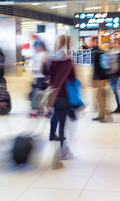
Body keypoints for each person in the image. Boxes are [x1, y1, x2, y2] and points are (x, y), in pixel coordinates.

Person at [48, 35, 75, 169]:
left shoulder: (52, 61)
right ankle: (59, 156)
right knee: (63, 127)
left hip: (54, 96)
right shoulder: (69, 62)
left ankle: (53, 135)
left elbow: (50, 77)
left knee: (56, 116)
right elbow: (73, 79)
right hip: (65, 97)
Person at [91, 37, 113, 123]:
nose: (87, 42)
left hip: (99, 78)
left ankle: (104, 115)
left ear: (94, 42)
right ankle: (102, 114)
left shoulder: (95, 52)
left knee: (100, 97)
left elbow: (95, 67)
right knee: (102, 96)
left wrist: (93, 79)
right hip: (104, 77)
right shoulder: (101, 51)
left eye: (89, 41)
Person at [108, 39, 120, 113]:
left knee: (116, 90)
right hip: (111, 74)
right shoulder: (110, 51)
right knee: (114, 90)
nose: (113, 44)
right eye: (111, 43)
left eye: (115, 42)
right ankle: (118, 106)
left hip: (118, 74)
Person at [29, 41, 48, 118]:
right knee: (39, 94)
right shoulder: (37, 54)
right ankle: (41, 109)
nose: (36, 49)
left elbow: (44, 66)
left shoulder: (44, 55)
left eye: (37, 47)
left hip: (43, 77)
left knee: (38, 93)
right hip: (38, 77)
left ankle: (37, 110)